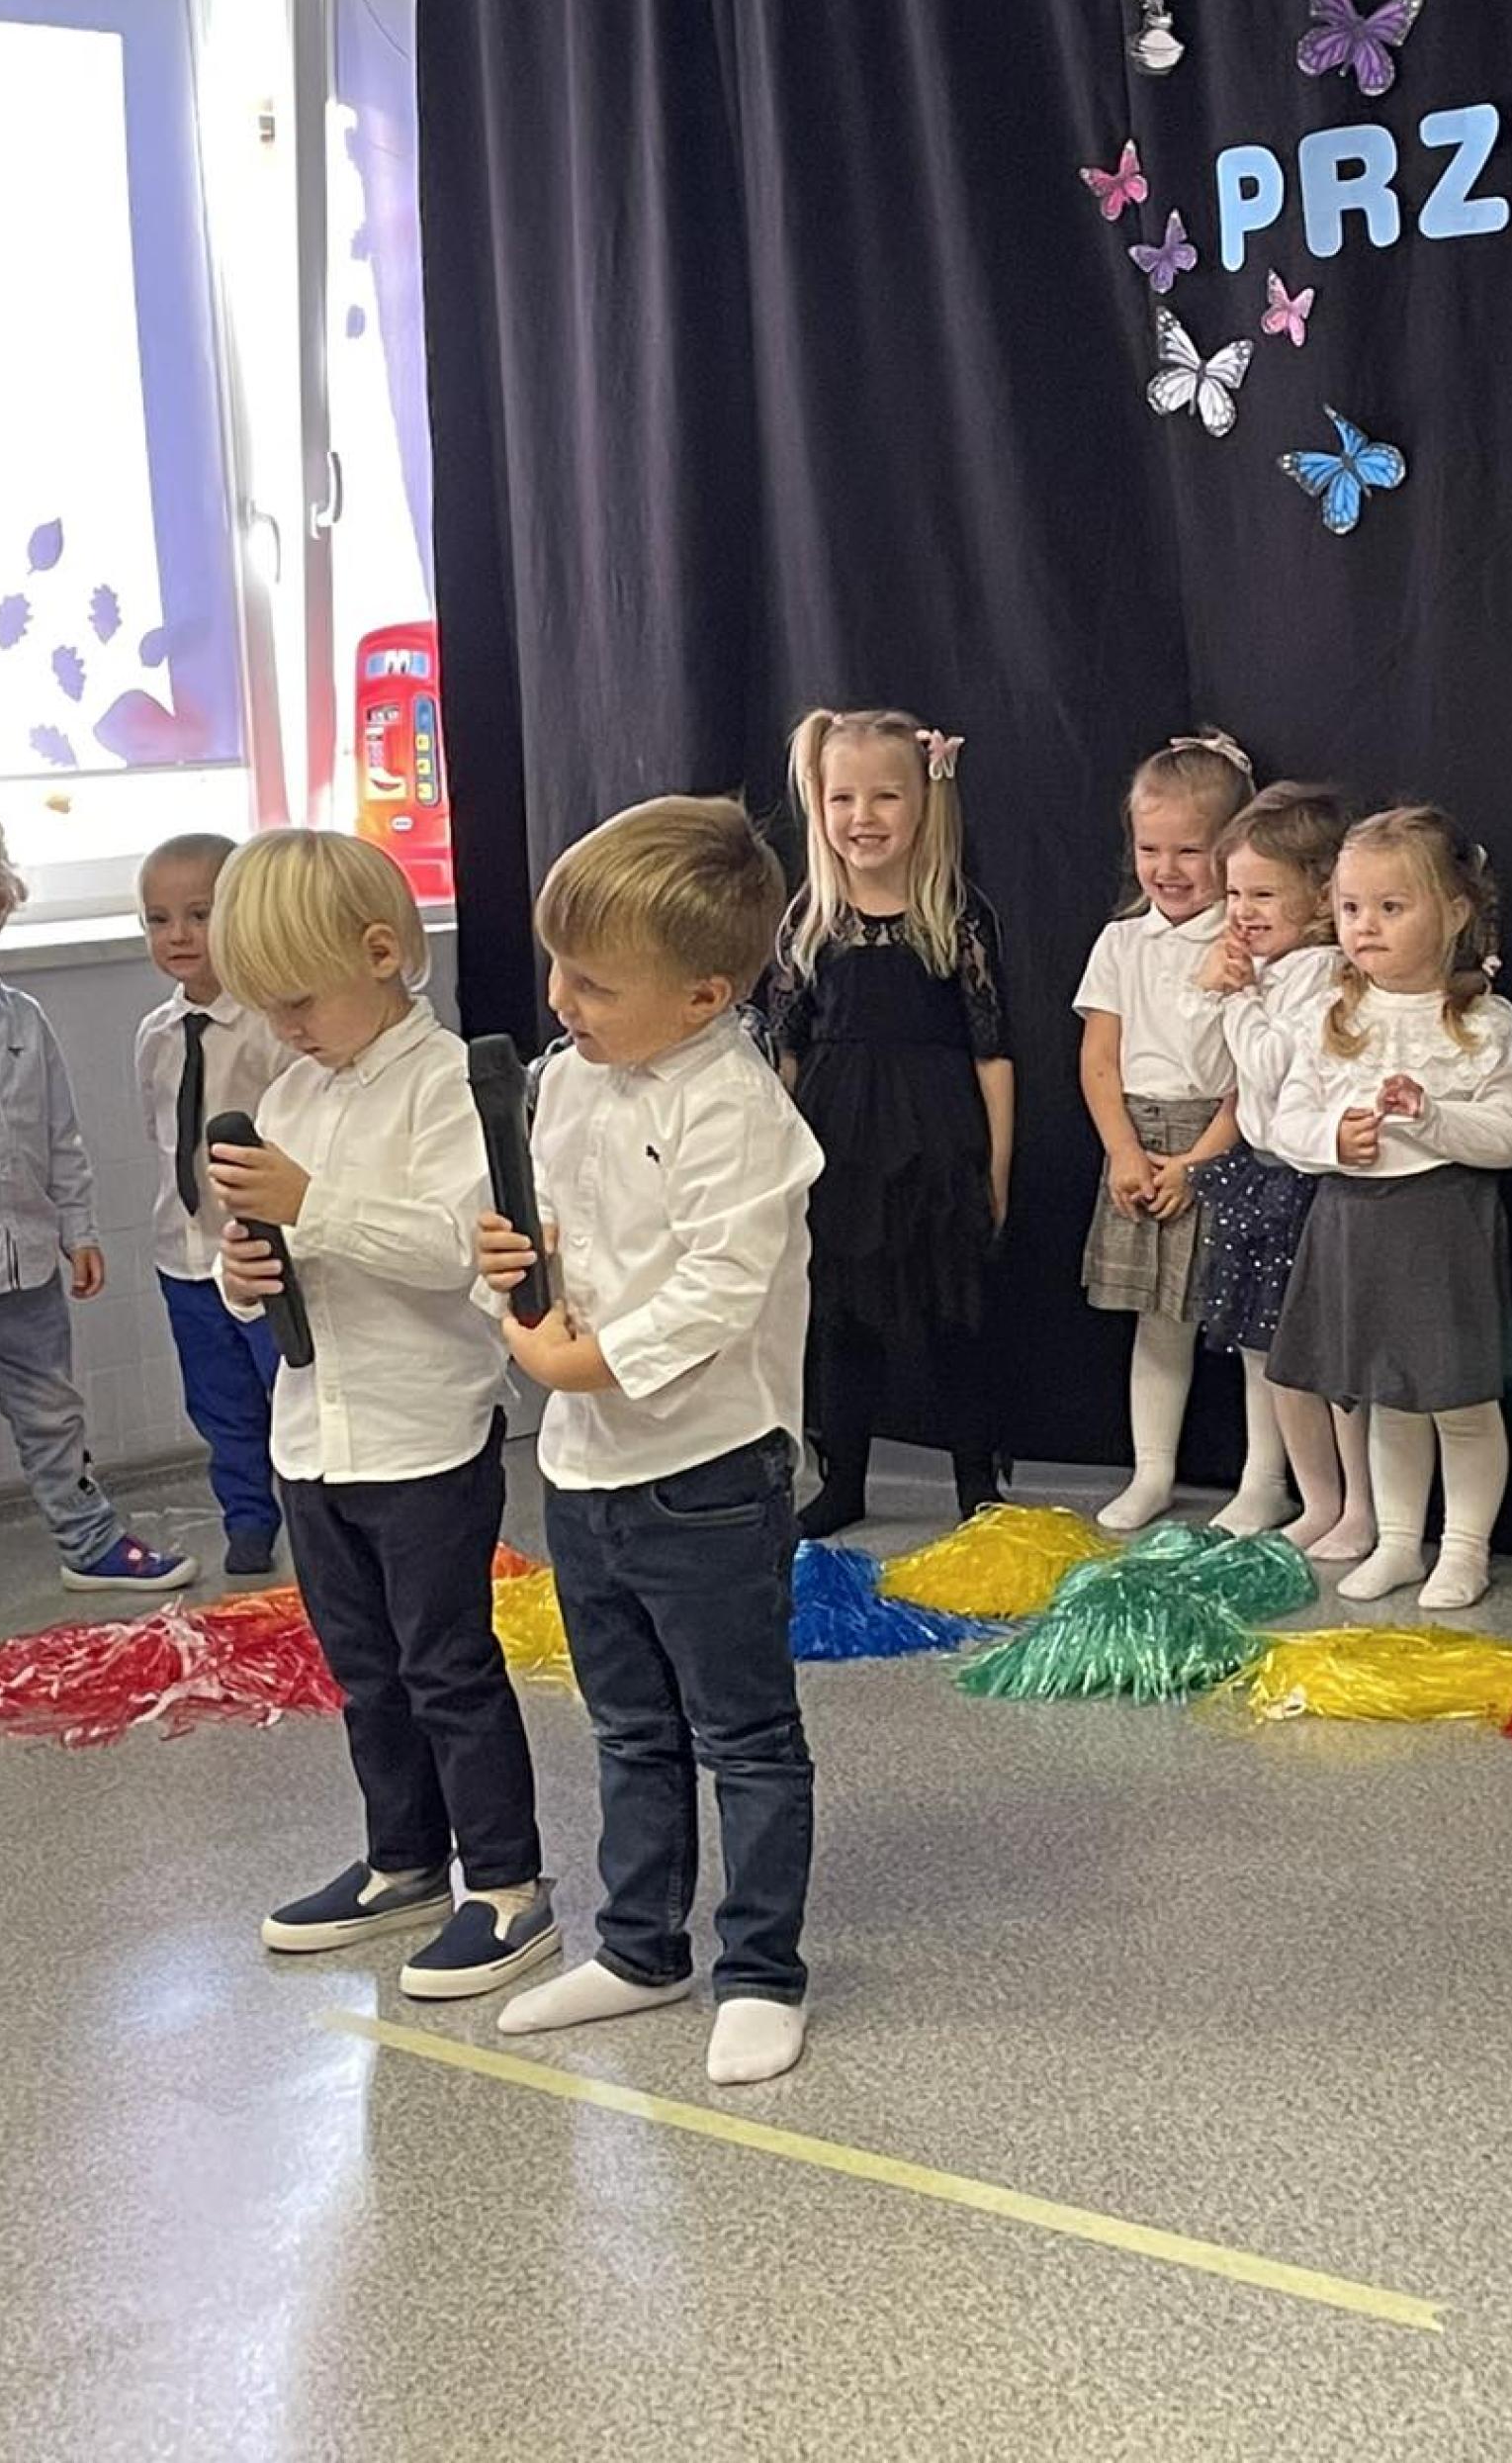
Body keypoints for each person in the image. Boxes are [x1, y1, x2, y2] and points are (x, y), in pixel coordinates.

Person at [479, 794, 823, 2085]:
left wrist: (584, 1358)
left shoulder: (736, 1106)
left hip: (706, 1471)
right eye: (558, 966)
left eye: (594, 982)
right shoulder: (567, 1078)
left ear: (704, 996)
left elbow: (720, 1288)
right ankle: (639, 1946)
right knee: (628, 1725)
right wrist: (506, 1264)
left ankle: (762, 1968)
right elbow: (544, 1229)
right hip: (586, 1467)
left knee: (745, 1735)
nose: (560, 997)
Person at [209, 828, 558, 2001]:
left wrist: (310, 1202)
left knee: (446, 1665)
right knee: (364, 1670)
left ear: (378, 952)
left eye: (300, 1000)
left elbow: (460, 1251)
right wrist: (243, 1273)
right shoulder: (290, 1093)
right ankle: (403, 1861)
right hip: (313, 1436)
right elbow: (267, 1262)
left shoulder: (446, 1085)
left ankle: (506, 1885)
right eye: (267, 1008)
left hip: (422, 1433)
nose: (286, 1028)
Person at [0, 795, 194, 1635]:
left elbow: (61, 1135)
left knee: (54, 1416)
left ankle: (89, 1544)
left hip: (28, 1273)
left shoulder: (24, 1018)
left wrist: (78, 1229)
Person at [1265, 807, 1512, 1609]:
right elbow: (1286, 1120)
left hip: (1441, 1226)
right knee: (1387, 1397)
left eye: (1391, 907)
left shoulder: (1481, 1021)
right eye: (1351, 907)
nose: (1366, 926)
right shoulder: (1333, 1013)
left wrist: (1434, 1118)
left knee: (1460, 1401)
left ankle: (1466, 1548)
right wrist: (1332, 1137)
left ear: (1452, 912)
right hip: (1353, 1223)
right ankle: (1396, 1540)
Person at [770, 708, 1013, 1536]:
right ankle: (842, 1482)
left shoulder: (958, 916)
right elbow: (786, 1055)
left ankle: (978, 1488)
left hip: (938, 1141)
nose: (862, 817)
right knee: (843, 1320)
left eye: (885, 796)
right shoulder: (811, 920)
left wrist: (997, 1169)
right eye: (843, 797)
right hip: (836, 1143)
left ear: (925, 800)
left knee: (957, 1317)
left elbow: (993, 1055)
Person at [1075, 732, 1253, 1531]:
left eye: (1189, 850)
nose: (1168, 868)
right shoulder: (1122, 941)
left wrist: (1197, 1162)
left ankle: (1264, 1480)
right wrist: (1124, 1152)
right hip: (1139, 1143)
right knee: (1159, 1318)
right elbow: (1099, 1059)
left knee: (1253, 1322)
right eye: (1151, 849)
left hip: (1223, 1139)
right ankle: (1152, 1470)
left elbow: (1254, 1078)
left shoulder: (1247, 944)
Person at [1193, 781, 1374, 1559]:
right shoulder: (1266, 970)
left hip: (1309, 1183)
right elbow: (1217, 1072)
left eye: (1262, 893)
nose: (1242, 911)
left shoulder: (1324, 973)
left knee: (1330, 1360)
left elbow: (1272, 1067)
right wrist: (1225, 992)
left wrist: (1236, 1000)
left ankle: (1361, 1505)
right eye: (1234, 893)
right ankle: (1317, 1498)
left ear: (1322, 896)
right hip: (1261, 1174)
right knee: (1275, 1356)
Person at [134, 833, 290, 1579]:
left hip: (259, 1255)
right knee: (220, 1403)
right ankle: (247, 1518)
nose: (179, 935)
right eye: (159, 919)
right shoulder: (156, 1035)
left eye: (199, 914)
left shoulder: (272, 1027)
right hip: (184, 1253)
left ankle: (316, 1516)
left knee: (286, 1391)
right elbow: (160, 1133)